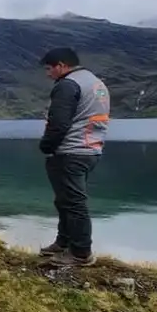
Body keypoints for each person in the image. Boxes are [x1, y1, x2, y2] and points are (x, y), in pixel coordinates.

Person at [38, 48, 110, 267]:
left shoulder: (67, 85)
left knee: (73, 203)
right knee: (66, 200)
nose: (48, 74)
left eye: (49, 69)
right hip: (91, 149)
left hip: (71, 151)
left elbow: (59, 122)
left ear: (61, 65)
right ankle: (63, 242)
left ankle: (80, 252)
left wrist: (46, 145)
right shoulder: (96, 83)